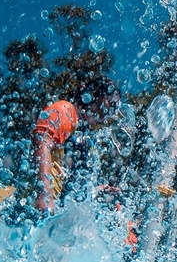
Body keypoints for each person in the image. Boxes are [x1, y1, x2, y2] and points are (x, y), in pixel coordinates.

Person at [33, 78, 119, 212]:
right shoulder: (66, 110)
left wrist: (97, 190)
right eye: (111, 102)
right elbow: (42, 142)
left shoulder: (88, 137)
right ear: (96, 93)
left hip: (61, 215)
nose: (112, 110)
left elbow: (73, 183)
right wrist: (44, 196)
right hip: (43, 210)